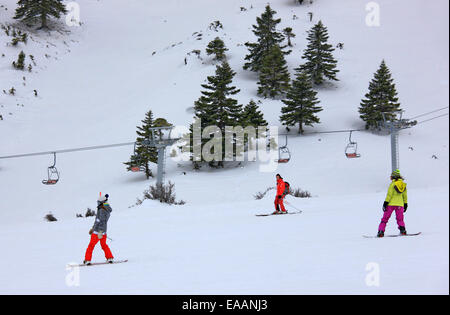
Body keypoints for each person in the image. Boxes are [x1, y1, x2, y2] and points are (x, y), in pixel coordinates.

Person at [84, 194, 114, 265]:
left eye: (98, 202)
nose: (97, 204)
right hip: (103, 232)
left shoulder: (101, 210)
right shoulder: (107, 209)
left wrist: (93, 229)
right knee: (104, 245)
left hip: (98, 232)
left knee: (91, 245)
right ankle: (109, 258)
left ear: (101, 202)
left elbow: (99, 221)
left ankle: (87, 260)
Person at [377, 170, 408, 237]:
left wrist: (385, 203)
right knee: (400, 219)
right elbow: (405, 196)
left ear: (393, 176)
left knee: (385, 219)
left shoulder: (392, 184)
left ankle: (381, 232)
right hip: (400, 204)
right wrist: (405, 204)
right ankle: (403, 230)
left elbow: (389, 195)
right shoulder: (403, 184)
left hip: (390, 204)